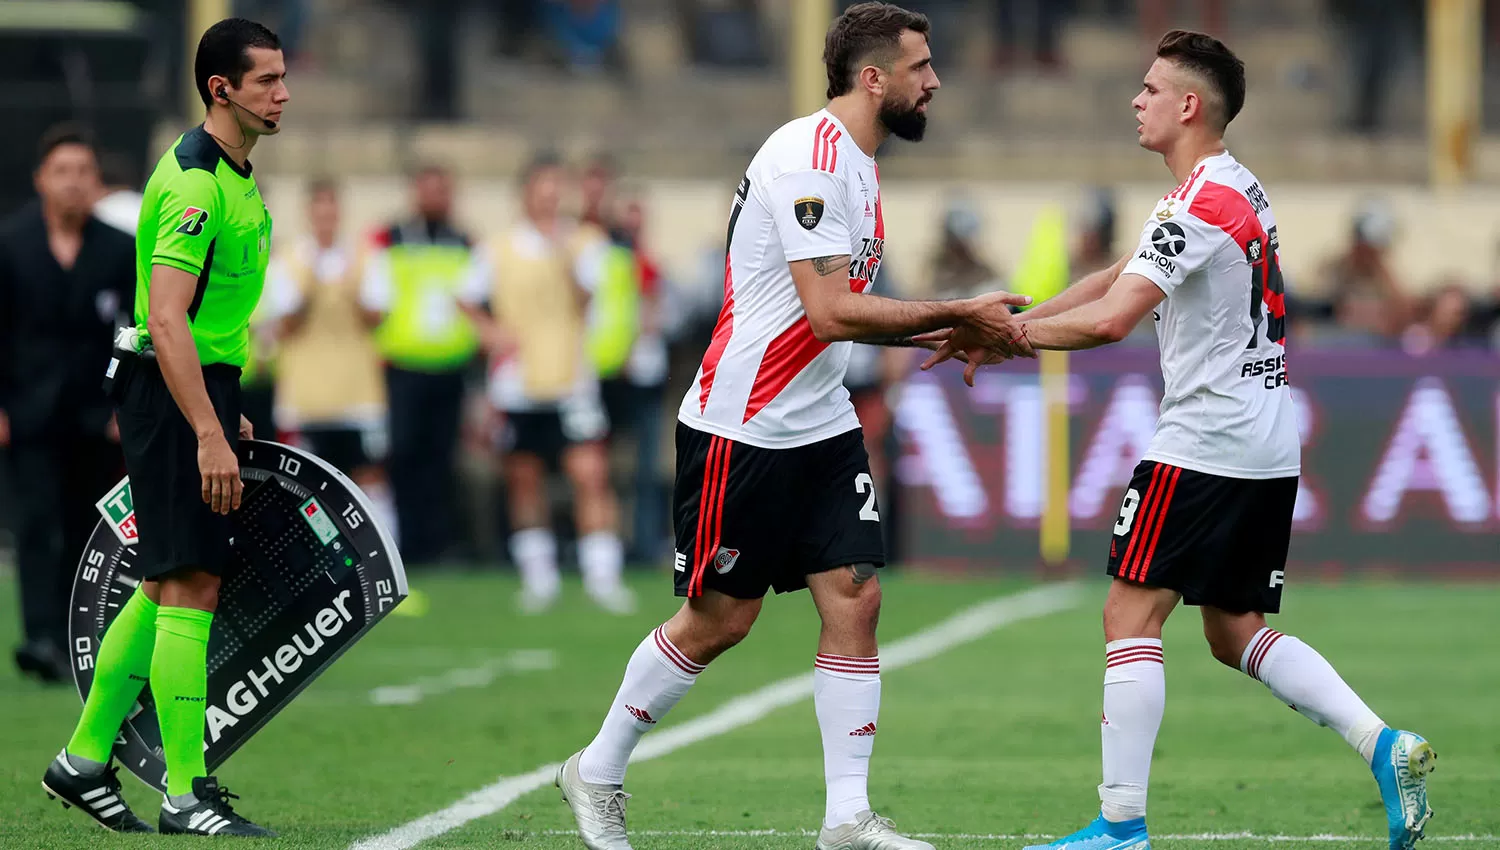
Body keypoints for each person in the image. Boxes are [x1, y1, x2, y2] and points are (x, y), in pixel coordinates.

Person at [923, 30, 1436, 850]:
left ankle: (1120, 827)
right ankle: (1385, 745)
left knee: (1130, 614)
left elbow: (1114, 319)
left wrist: (1006, 341)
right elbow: (1116, 278)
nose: (1137, 98)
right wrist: (1016, 322)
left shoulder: (1199, 202)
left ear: (1189, 106)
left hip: (1205, 438)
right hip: (1265, 439)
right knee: (1232, 630)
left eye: (1152, 88)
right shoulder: (1230, 190)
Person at [552, 5, 1032, 849]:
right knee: (720, 621)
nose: (936, 81)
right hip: (744, 425)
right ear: (873, 78)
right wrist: (958, 307)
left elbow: (829, 313)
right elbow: (831, 308)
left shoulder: (860, 164)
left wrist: (947, 332)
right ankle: (596, 770)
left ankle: (846, 818)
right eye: (921, 67)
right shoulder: (807, 159)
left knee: (856, 595)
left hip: (819, 420)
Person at [39, 17, 286, 837]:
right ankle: (185, 791)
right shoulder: (192, 182)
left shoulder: (238, 174)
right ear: (222, 89)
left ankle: (81, 760)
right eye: (266, 82)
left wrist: (223, 398)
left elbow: (203, 321)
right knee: (191, 585)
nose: (283, 93)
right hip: (170, 392)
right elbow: (167, 320)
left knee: (160, 582)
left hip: (197, 387)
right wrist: (208, 430)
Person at [460, 155, 633, 614]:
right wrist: (490, 332)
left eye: (558, 188)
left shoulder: (583, 243)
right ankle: (539, 578)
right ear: (527, 193)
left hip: (571, 381)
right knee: (524, 478)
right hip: (516, 385)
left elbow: (585, 298)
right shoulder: (497, 248)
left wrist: (563, 255)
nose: (551, 196)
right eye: (543, 187)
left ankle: (603, 577)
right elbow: (466, 299)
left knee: (590, 474)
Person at [0, 125, 135, 683]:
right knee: (36, 524)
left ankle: (82, 639)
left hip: (95, 416)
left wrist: (123, 408)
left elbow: (137, 334)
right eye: (62, 171)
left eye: (84, 171)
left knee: (89, 530)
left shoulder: (120, 249)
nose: (74, 182)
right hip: (27, 412)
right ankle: (40, 636)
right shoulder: (10, 245)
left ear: (97, 181)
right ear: (40, 180)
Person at [362, 164, 482, 565]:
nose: (436, 199)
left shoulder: (464, 241)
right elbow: (376, 300)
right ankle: (407, 543)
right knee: (405, 453)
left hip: (450, 368)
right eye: (429, 190)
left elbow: (475, 299)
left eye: (442, 191)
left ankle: (438, 543)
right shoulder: (392, 238)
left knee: (442, 457)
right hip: (405, 367)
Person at [266, 179, 395, 529]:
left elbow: (378, 318)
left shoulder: (366, 257)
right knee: (304, 481)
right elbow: (286, 323)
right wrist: (310, 284)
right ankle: (315, 555)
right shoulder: (290, 260)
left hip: (358, 391)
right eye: (319, 212)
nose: (326, 220)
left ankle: (382, 553)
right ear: (309, 214)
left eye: (331, 211)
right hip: (305, 394)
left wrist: (350, 284)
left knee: (369, 474)